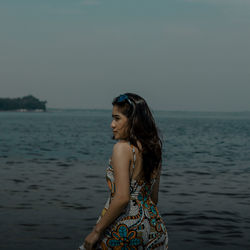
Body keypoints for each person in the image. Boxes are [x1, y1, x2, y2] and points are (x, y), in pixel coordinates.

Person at [78, 93, 168, 249]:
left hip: (124, 227)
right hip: (154, 228)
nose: (112, 124)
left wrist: (96, 231)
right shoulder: (154, 149)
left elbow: (122, 198)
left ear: (133, 120)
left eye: (117, 118)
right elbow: (153, 198)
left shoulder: (122, 149)